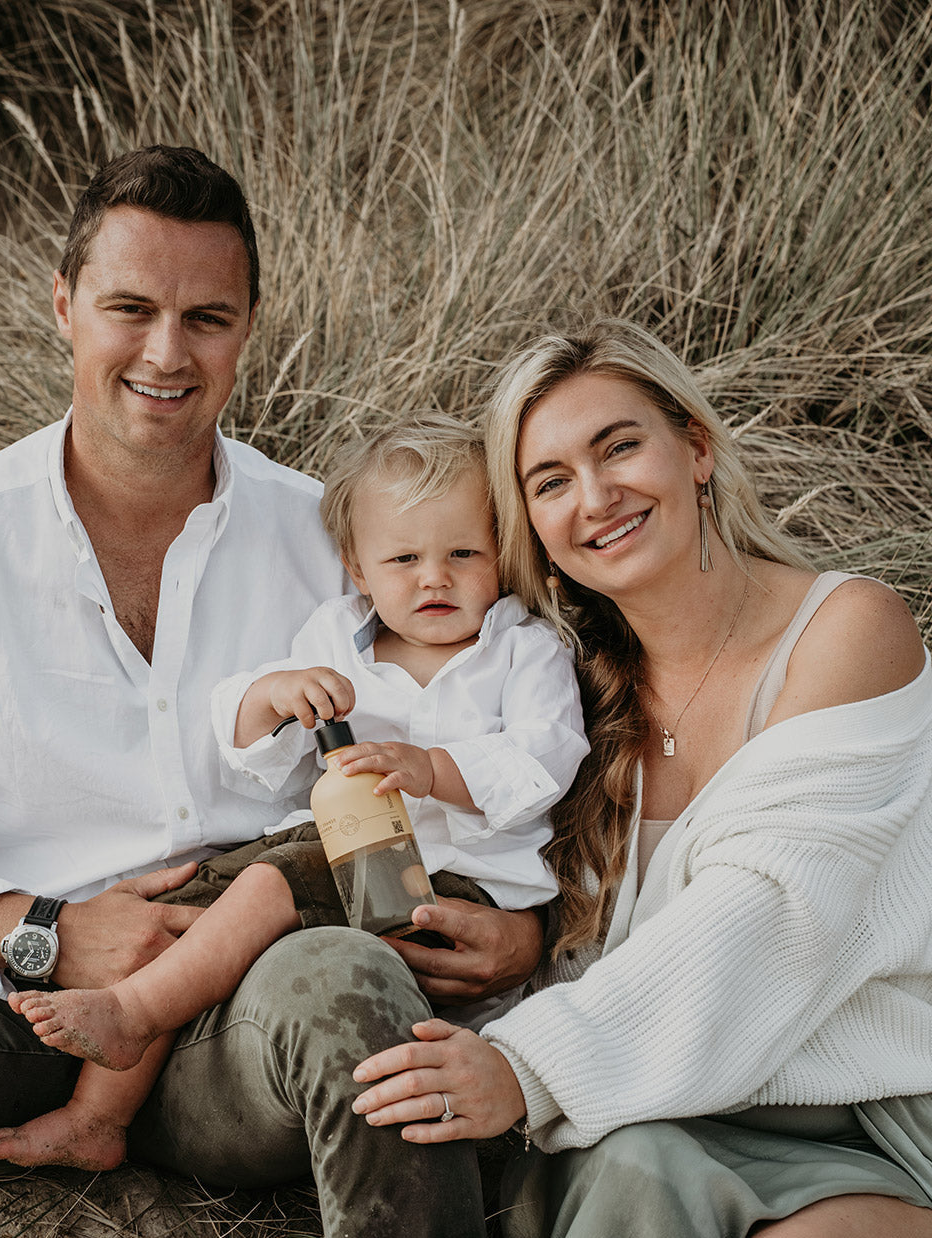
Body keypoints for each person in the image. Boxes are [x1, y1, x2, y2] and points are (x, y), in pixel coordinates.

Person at [0, 145, 545, 1238]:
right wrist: (46, 931)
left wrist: (524, 935)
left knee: (346, 981)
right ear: (64, 304)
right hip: (8, 1010)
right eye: (130, 307)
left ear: (248, 324)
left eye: (207, 317)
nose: (167, 353)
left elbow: (480, 732)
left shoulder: (337, 542)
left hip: (245, 1019)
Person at [345, 319, 932, 1237]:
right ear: (530, 528)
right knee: (633, 1169)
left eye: (619, 446)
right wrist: (527, 939)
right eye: (550, 482)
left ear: (695, 448)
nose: (596, 496)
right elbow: (592, 931)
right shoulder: (562, 699)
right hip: (664, 1117)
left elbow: (768, 921)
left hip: (873, 1109)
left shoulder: (847, 632)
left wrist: (525, 1068)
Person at [1, 413, 587, 1173]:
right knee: (187, 917)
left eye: (463, 554)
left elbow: (546, 758)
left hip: (456, 883)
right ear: (356, 566)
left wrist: (434, 770)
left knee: (271, 883)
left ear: (503, 555)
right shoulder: (334, 637)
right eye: (404, 557)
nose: (434, 577)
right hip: (341, 861)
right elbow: (257, 759)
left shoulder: (521, 649)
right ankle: (96, 1116)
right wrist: (273, 697)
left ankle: (132, 1013)